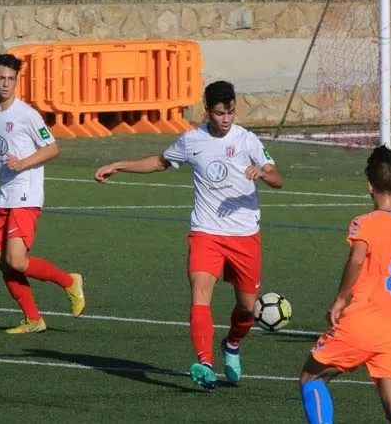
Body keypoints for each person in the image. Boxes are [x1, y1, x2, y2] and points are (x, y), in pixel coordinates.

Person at [94, 80, 283, 390]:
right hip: (206, 232)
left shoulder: (247, 140)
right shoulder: (192, 140)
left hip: (245, 235)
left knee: (247, 308)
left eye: (231, 112)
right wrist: (119, 164)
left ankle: (232, 344)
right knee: (200, 290)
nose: (226, 119)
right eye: (220, 113)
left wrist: (263, 173)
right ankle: (205, 363)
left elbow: (277, 178)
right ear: (207, 111)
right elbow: (159, 162)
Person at [0, 53, 85, 334]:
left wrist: (22, 163)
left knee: (16, 260)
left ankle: (69, 282)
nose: (6, 83)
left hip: (26, 194)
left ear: (17, 80)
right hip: (3, 196)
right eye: (1, 78)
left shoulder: (27, 114)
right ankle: (33, 319)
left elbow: (52, 148)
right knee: (3, 262)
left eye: (11, 78)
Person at [299, 145, 391, 424]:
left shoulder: (365, 223)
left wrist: (340, 298)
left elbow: (357, 259)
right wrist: (390, 291)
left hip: (361, 322)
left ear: (370, 186)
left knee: (311, 378)